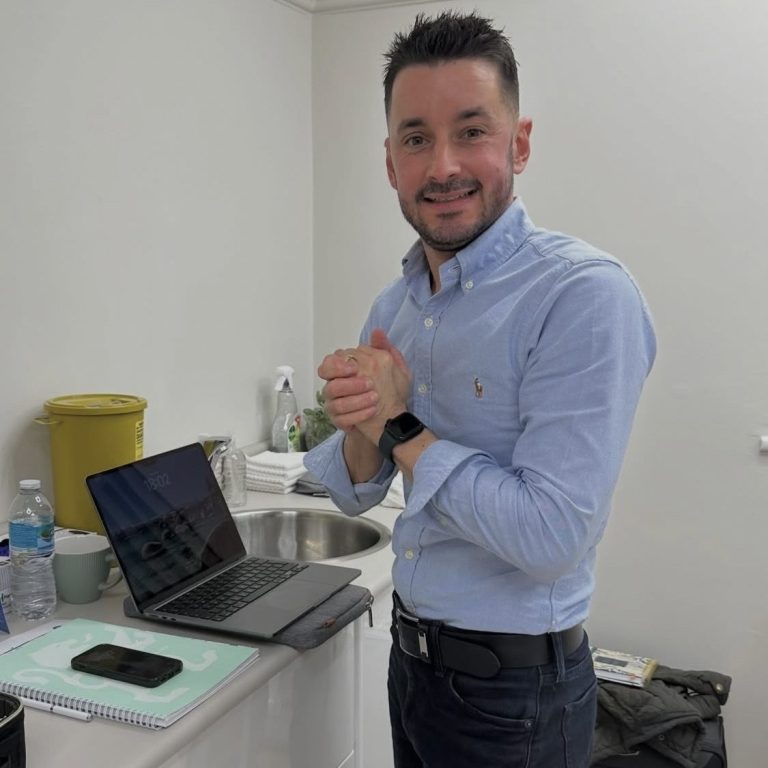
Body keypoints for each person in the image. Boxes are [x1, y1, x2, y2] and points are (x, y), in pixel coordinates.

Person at [305, 10, 656, 768]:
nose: (442, 167)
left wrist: (398, 423)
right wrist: (361, 422)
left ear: (518, 143)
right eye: (416, 139)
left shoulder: (581, 295)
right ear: (390, 161)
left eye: (471, 131)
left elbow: (550, 536)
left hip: (515, 698)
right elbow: (353, 492)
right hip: (413, 666)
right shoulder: (396, 306)